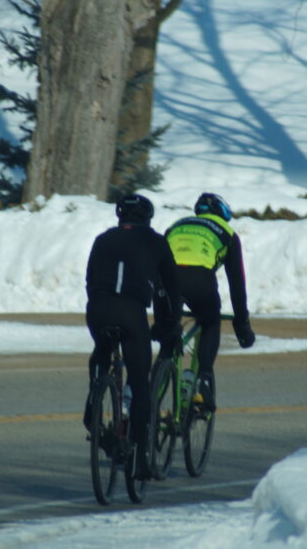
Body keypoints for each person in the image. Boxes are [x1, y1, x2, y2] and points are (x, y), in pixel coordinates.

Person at [84, 193, 180, 480]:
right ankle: (140, 460)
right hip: (131, 311)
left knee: (101, 353)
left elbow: (89, 279)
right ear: (148, 219)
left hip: (98, 308)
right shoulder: (157, 242)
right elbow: (170, 293)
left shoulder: (102, 239)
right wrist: (169, 328)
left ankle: (93, 410)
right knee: (139, 383)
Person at [154, 192, 254, 411]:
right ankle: (203, 381)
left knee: (169, 333)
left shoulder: (176, 225)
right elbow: (237, 283)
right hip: (199, 280)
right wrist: (241, 324)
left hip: (165, 281)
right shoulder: (227, 232)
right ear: (223, 213)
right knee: (210, 321)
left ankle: (152, 395)